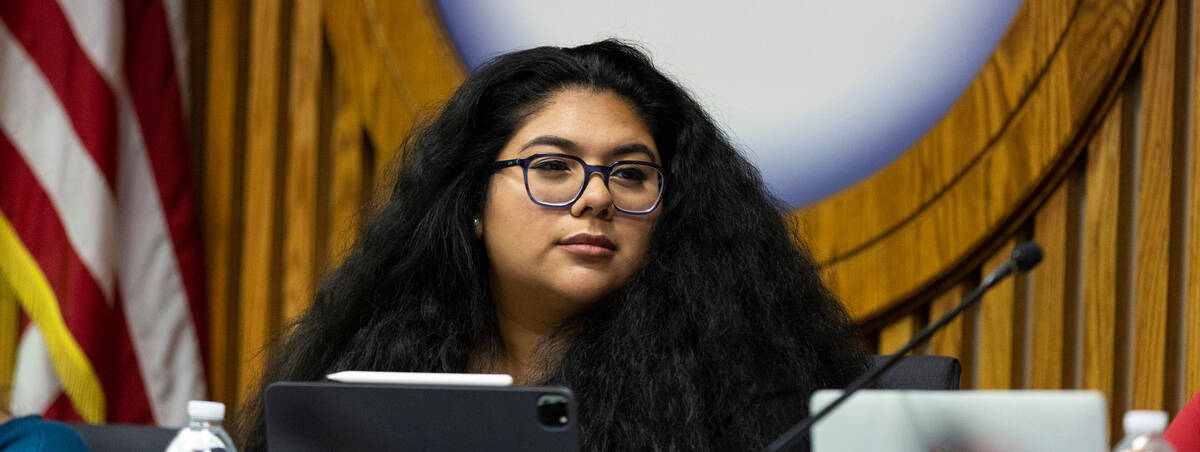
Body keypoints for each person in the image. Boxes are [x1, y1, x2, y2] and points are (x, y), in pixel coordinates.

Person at [237, 40, 868, 451]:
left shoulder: (746, 388)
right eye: (553, 167)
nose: (596, 198)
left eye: (630, 174)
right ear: (473, 203)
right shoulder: (377, 363)